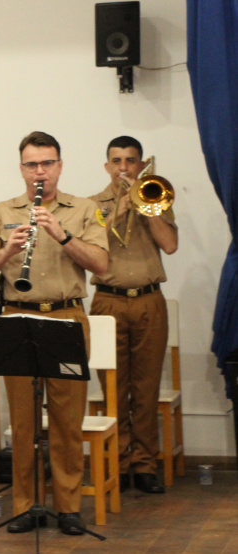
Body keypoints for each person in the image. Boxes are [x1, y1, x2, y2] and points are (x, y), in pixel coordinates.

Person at [0, 131, 108, 535]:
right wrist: (7, 252)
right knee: (23, 422)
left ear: (60, 166)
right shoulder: (1, 211)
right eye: (31, 164)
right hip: (17, 318)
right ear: (21, 168)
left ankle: (68, 506)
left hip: (66, 318)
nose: (40, 172)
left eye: (47, 163)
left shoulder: (84, 209)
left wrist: (62, 234)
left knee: (67, 421)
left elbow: (101, 263)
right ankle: (27, 504)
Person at [89, 136, 178, 494]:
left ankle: (144, 464)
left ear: (141, 165)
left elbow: (170, 246)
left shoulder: (157, 195)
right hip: (107, 302)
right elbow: (90, 246)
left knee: (145, 386)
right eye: (116, 161)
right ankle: (118, 461)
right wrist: (122, 207)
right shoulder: (93, 204)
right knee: (113, 385)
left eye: (130, 160)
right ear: (107, 166)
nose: (123, 167)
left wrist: (145, 207)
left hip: (148, 301)